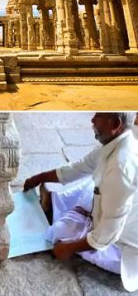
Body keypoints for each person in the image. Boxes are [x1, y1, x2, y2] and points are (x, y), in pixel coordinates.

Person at [24, 112, 138, 292]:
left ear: (115, 124)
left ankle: (59, 212)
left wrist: (69, 248)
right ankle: (55, 204)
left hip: (123, 242)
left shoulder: (120, 167)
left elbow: (106, 235)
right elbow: (79, 167)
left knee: (58, 233)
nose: (92, 120)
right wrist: (39, 177)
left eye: (98, 116)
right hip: (113, 209)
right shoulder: (115, 143)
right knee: (89, 185)